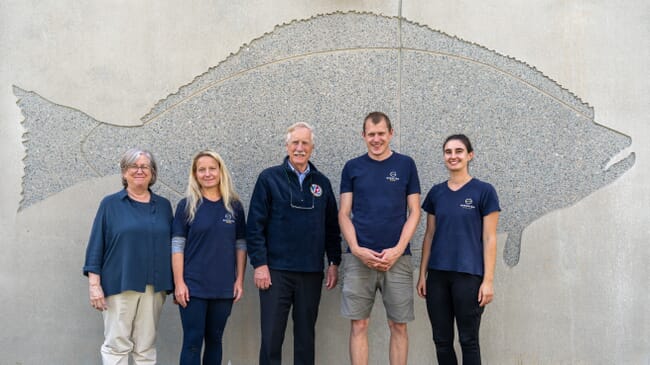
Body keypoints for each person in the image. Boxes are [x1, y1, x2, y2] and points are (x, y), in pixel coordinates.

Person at [247, 122, 342, 365]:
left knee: (305, 338)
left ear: (312, 147)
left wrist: (333, 262)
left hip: (310, 273)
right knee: (271, 338)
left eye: (305, 143)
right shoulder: (269, 179)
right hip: (275, 273)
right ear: (287, 145)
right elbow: (255, 226)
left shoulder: (322, 182)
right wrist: (259, 264)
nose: (300, 148)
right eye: (295, 143)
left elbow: (332, 226)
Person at [338, 111, 421, 365]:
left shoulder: (406, 165)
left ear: (391, 133)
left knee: (398, 326)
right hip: (359, 260)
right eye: (371, 134)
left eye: (381, 134)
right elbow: (343, 213)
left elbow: (415, 212)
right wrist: (355, 248)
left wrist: (397, 250)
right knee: (359, 325)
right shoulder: (352, 167)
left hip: (398, 259)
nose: (376, 139)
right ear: (363, 136)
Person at [83, 148, 173, 365]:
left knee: (146, 346)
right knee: (116, 345)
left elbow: (172, 246)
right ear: (124, 172)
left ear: (153, 173)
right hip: (119, 284)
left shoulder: (163, 206)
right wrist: (94, 285)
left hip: (154, 286)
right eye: (134, 166)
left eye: (145, 167)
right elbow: (96, 244)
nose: (139, 170)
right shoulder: (110, 204)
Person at [416, 134, 500, 365]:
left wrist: (488, 281)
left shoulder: (484, 191)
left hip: (469, 276)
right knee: (441, 340)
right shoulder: (436, 193)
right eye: (448, 152)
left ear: (469, 155)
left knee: (468, 340)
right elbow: (430, 235)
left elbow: (490, 237)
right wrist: (423, 274)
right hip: (437, 277)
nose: (453, 156)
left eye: (458, 151)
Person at [171, 150, 247, 365]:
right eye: (201, 170)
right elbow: (177, 246)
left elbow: (241, 245)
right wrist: (179, 283)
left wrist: (239, 280)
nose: (207, 174)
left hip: (223, 287)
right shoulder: (186, 206)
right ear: (195, 175)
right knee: (192, 342)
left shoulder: (234, 207)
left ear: (220, 171)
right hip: (192, 287)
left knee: (215, 341)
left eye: (212, 168)